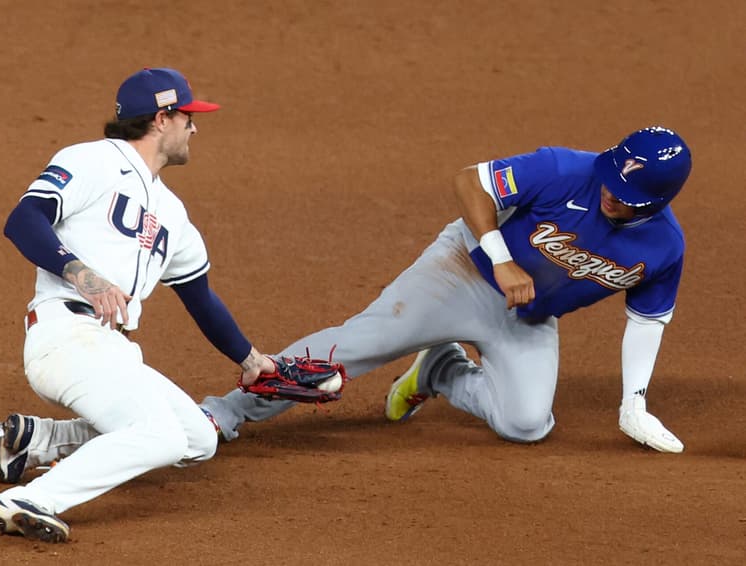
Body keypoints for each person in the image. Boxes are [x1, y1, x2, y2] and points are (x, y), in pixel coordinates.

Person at [201, 126, 691, 454]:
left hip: (528, 318)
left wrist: (635, 401)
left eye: (624, 196)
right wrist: (501, 259)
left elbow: (646, 323)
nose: (608, 192)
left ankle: (442, 369)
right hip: (462, 272)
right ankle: (224, 412)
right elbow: (471, 182)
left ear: (658, 201)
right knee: (357, 346)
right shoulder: (565, 169)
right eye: (609, 179)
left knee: (527, 424)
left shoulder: (664, 247)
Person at [0, 67, 275, 543]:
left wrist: (251, 360)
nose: (195, 128)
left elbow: (200, 298)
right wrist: (81, 273)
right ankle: (30, 500)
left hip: (113, 352)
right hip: (67, 337)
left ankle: (39, 440)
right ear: (162, 118)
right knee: (160, 436)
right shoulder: (93, 160)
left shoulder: (172, 213)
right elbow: (24, 219)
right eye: (188, 117)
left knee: (197, 439)